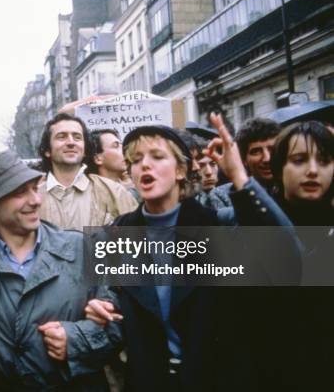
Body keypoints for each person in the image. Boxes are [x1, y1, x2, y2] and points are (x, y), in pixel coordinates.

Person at [85, 115, 301, 392]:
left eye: (157, 156)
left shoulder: (218, 224)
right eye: (136, 160)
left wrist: (239, 178)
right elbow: (105, 296)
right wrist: (98, 304)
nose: (144, 165)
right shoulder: (118, 233)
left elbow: (287, 255)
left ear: (181, 171)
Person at [0, 150, 121, 391]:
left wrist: (75, 340)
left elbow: (121, 323)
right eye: (20, 192)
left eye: (35, 188)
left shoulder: (83, 247)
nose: (35, 200)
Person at [270, 121, 333, 390]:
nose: (312, 170)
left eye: (324, 160)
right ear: (279, 168)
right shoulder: (253, 226)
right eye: (299, 160)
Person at [37, 113, 137, 230]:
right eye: (61, 137)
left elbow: (136, 244)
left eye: (77, 137)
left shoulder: (114, 192)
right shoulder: (33, 198)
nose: (71, 142)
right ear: (47, 150)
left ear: (85, 149)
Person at [209, 118, 281, 209]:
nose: (267, 158)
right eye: (256, 151)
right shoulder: (222, 196)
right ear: (244, 160)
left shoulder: (295, 187)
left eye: (272, 149)